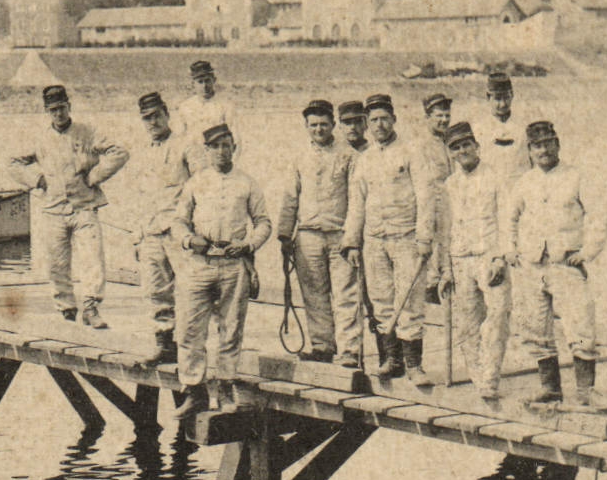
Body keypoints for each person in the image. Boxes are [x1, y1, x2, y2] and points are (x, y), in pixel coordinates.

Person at [506, 120, 607, 408]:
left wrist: (587, 252)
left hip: (564, 263)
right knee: (536, 327)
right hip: (531, 265)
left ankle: (586, 390)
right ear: (529, 150)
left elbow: (600, 217)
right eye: (537, 145)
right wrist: (510, 250)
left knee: (580, 325)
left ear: (558, 144)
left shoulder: (576, 177)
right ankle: (550, 388)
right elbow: (509, 218)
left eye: (548, 143)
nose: (543, 150)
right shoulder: (524, 182)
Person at [8, 84, 128, 328]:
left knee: (93, 258)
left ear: (69, 106)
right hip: (53, 209)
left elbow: (119, 152)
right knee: (57, 264)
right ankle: (66, 310)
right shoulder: (40, 138)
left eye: (62, 108)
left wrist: (95, 176)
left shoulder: (87, 132)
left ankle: (92, 307)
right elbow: (12, 163)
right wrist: (36, 180)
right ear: (46, 111)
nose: (59, 114)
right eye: (53, 110)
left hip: (84, 207)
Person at [172, 124, 272, 417]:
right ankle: (194, 391)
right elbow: (178, 222)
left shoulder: (247, 183)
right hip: (200, 265)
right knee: (190, 329)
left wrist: (247, 245)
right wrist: (190, 240)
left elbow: (264, 222)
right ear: (207, 151)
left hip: (233, 265)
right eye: (214, 147)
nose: (220, 151)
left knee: (231, 329)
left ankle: (226, 387)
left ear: (234, 148)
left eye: (226, 145)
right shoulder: (195, 182)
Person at [343, 94, 436, 385]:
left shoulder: (411, 152)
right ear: (367, 125)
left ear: (394, 119)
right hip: (374, 240)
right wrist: (351, 242)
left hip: (406, 237)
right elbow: (356, 204)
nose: (379, 125)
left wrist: (424, 237)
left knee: (409, 301)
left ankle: (414, 365)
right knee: (381, 300)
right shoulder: (365, 159)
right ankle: (390, 360)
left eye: (384, 118)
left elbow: (425, 195)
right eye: (374, 120)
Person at [276, 99, 362, 367]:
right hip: (307, 236)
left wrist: (353, 238)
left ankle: (349, 350)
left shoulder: (349, 156)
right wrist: (284, 235)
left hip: (340, 236)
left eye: (324, 124)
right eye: (313, 125)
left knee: (346, 294)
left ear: (333, 125)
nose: (319, 129)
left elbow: (357, 200)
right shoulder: (299, 158)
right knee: (314, 294)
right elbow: (290, 197)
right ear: (306, 126)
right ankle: (322, 346)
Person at [435, 122, 510, 400]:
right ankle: (480, 380)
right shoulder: (449, 185)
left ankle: (491, 376)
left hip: (490, 257)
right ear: (450, 153)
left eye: (467, 144)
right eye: (455, 147)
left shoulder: (495, 177)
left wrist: (501, 258)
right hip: (460, 259)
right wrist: (445, 269)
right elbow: (444, 229)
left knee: (499, 316)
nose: (462, 151)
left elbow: (506, 219)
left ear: (477, 146)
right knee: (467, 324)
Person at [125, 91, 198, 363]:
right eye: (146, 118)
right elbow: (137, 195)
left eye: (156, 115)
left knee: (192, 290)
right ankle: (165, 343)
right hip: (151, 233)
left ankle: (194, 347)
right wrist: (136, 235)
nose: (152, 122)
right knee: (156, 292)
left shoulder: (187, 145)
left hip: (179, 233)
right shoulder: (142, 152)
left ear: (167, 113)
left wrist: (195, 231)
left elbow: (202, 188)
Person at [173, 59, 242, 157]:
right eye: (200, 82)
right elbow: (178, 139)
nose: (204, 86)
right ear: (193, 84)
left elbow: (236, 140)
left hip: (217, 159)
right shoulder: (185, 107)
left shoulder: (226, 106)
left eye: (207, 80)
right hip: (193, 159)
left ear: (214, 80)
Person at [474, 71, 530, 174]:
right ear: (488, 97)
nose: (503, 104)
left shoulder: (524, 127)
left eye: (506, 98)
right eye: (497, 99)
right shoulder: (478, 129)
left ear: (512, 95)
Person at [415, 89, 454, 184]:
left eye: (447, 116)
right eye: (439, 116)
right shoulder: (420, 146)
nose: (444, 120)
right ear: (427, 118)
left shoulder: (452, 140)